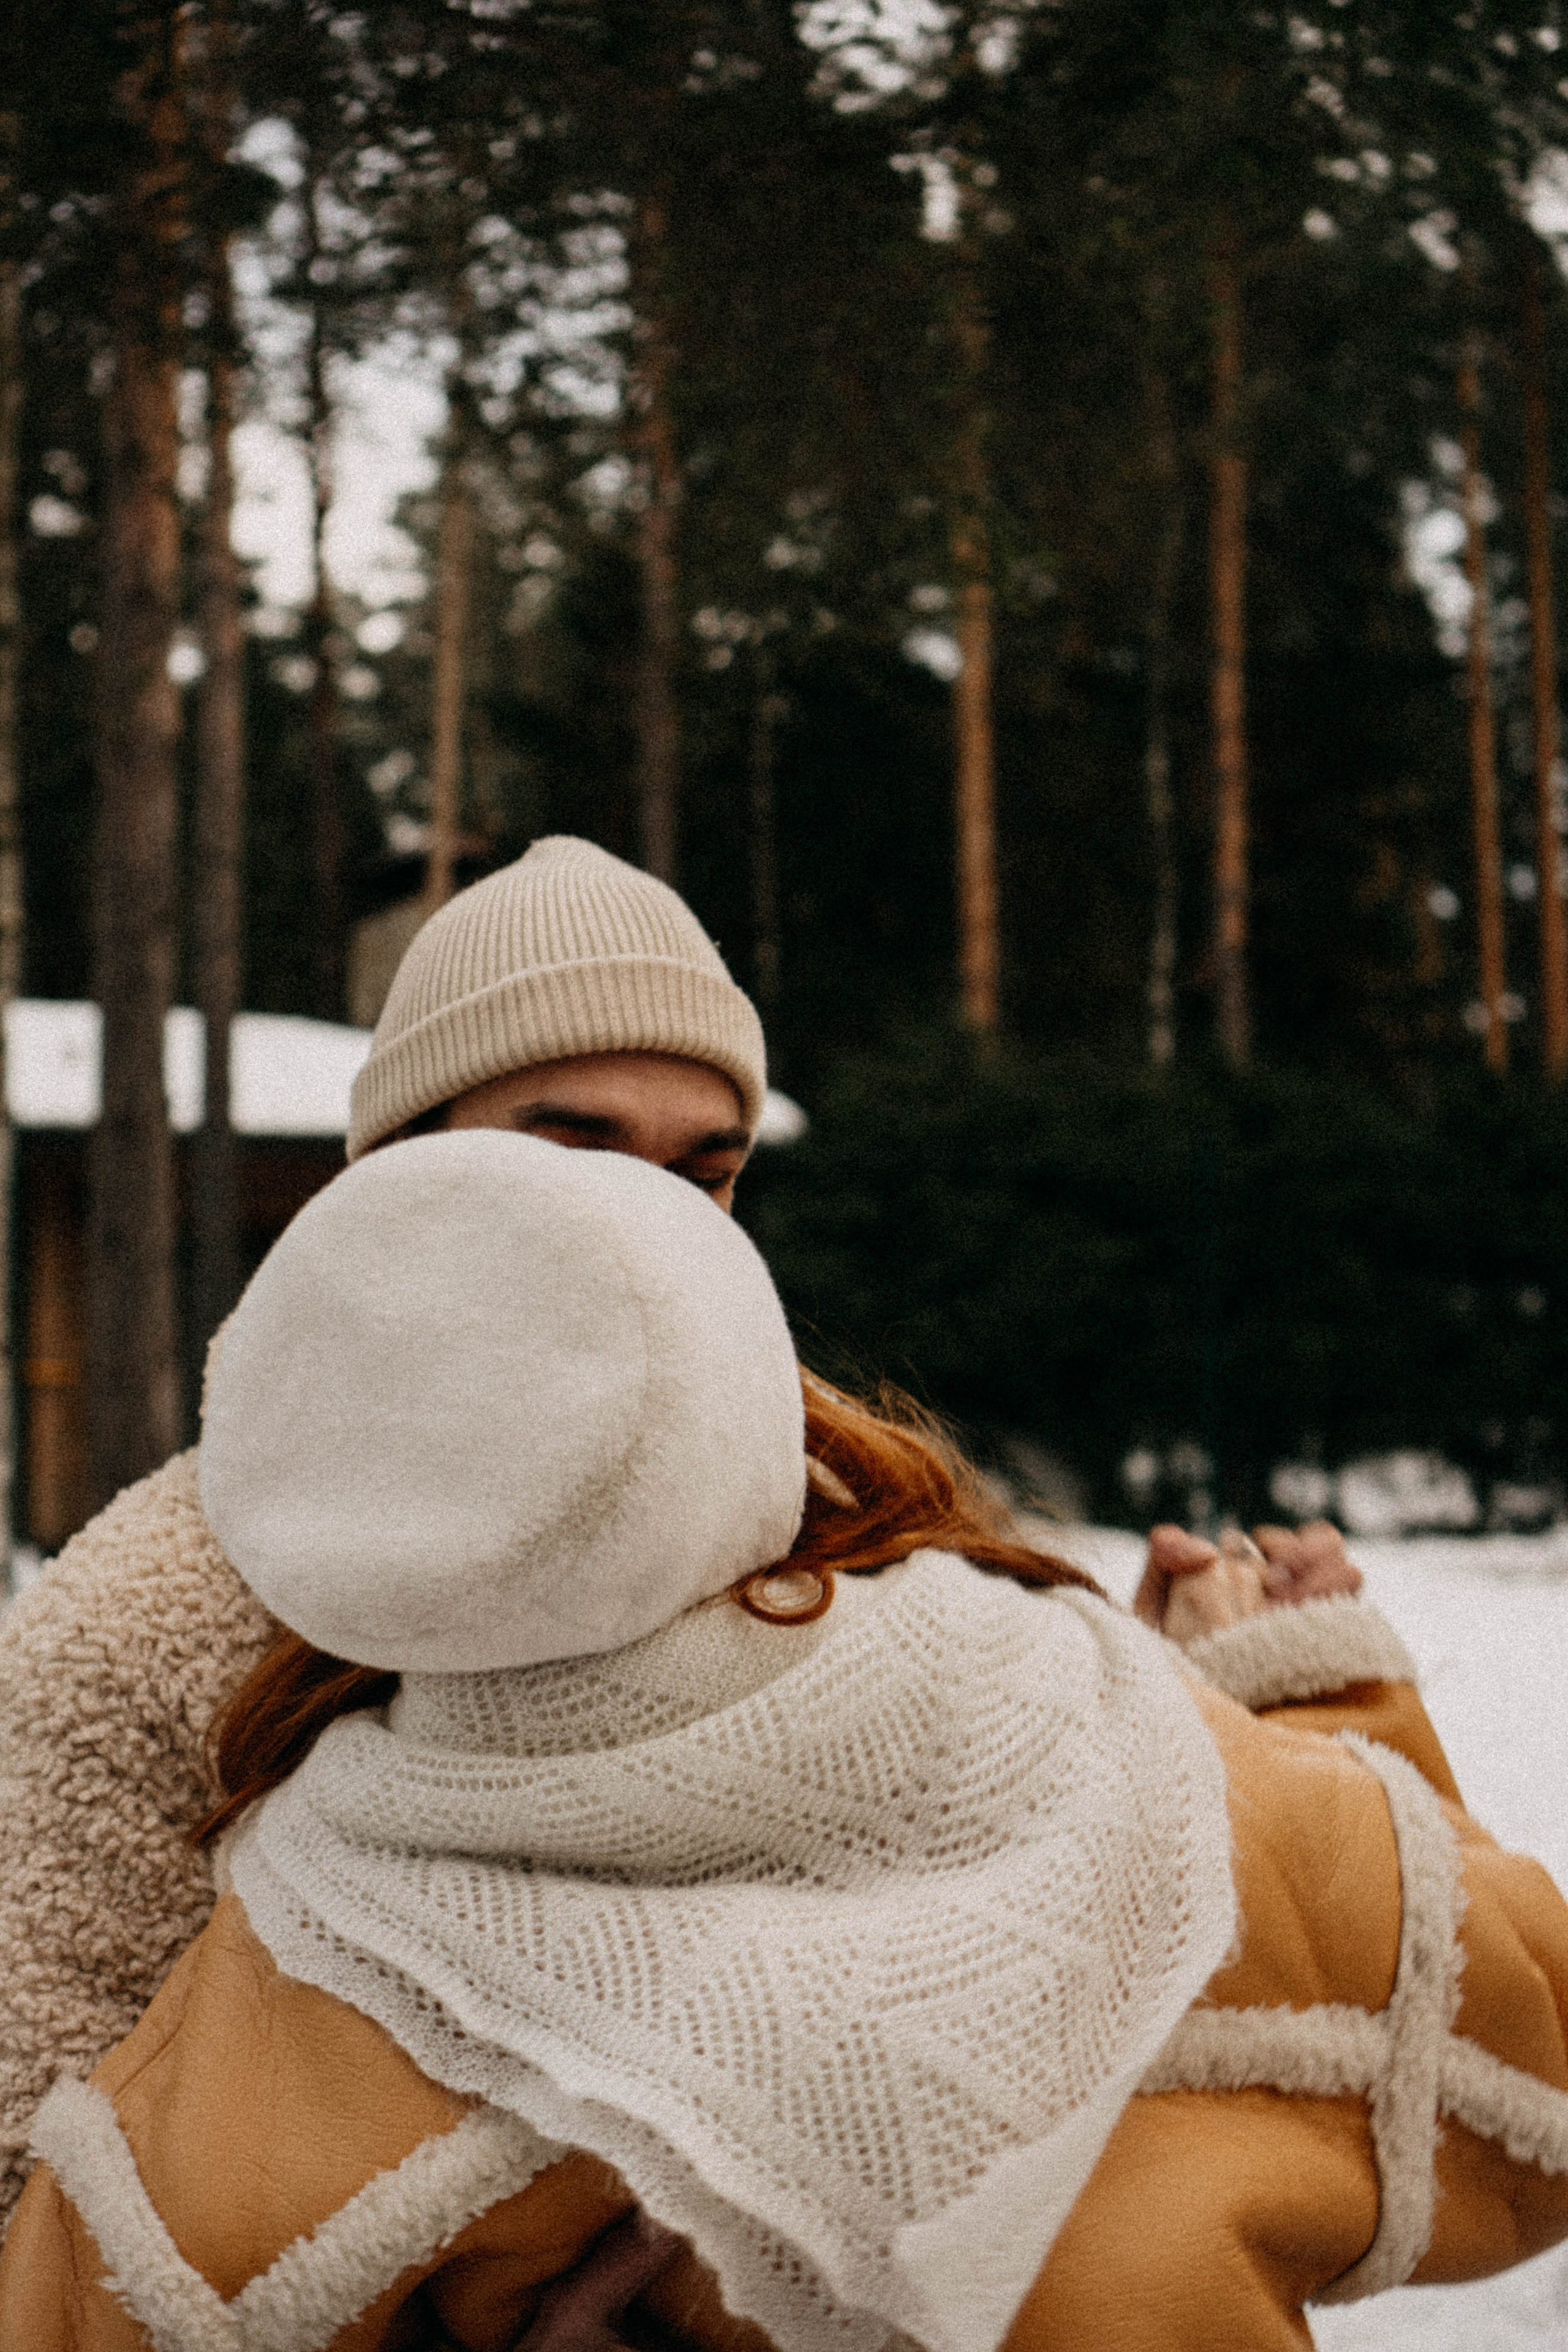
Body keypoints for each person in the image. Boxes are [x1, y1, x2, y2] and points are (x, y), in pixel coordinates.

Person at [4, 1126, 1568, 2352]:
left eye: (709, 1166)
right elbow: (1509, 2066)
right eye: (570, 1149)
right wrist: (1327, 1720)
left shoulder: (273, 2022)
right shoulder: (1107, 1750)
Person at [0, 832, 1348, 2230]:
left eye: (701, 1173)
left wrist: (1186, 1697)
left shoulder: (831, 1517)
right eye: (569, 1149)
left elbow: (1021, 1949)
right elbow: (27, 2186)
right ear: (399, 1174)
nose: (644, 1221)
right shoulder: (145, 1625)